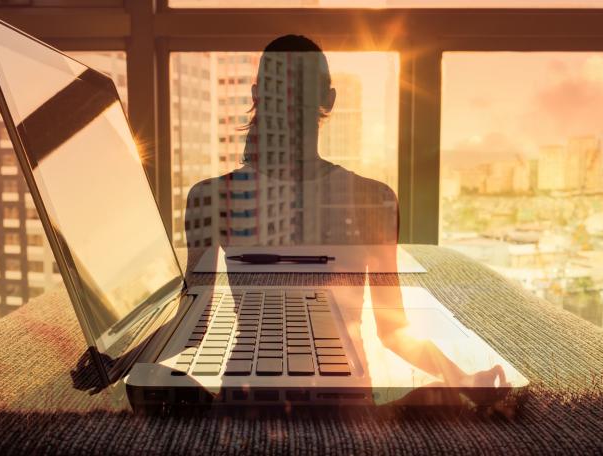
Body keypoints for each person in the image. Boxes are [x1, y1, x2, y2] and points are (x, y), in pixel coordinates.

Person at [185, 35, 506, 400]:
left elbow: (189, 328)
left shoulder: (209, 196)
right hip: (343, 396)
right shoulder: (373, 198)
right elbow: (394, 330)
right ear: (330, 99)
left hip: (249, 392)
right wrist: (461, 380)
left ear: (257, 95)